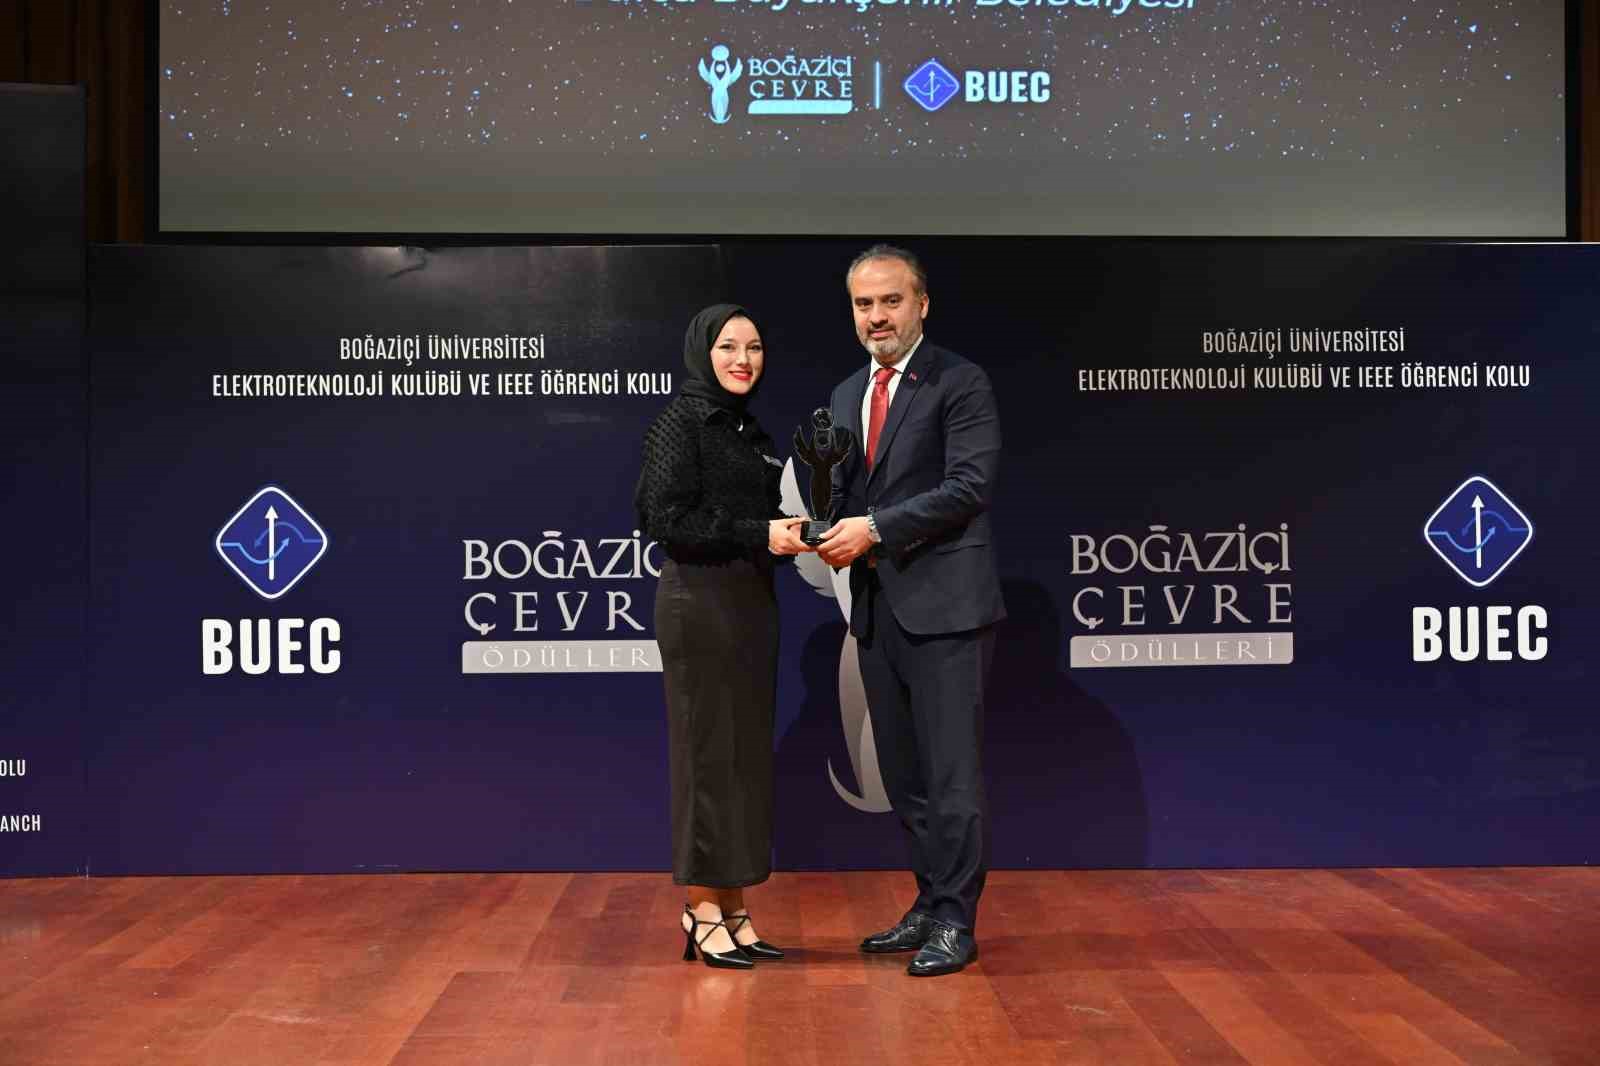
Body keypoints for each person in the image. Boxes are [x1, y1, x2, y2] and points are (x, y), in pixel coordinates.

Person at [817, 246, 1005, 977]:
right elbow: (844, 495)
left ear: (922, 304)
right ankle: (929, 903)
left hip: (947, 609)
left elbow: (968, 486)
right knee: (905, 776)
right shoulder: (845, 394)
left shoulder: (960, 381)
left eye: (890, 301)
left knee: (952, 776)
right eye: (863, 304)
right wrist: (823, 527)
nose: (877, 317)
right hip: (877, 609)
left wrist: (874, 529)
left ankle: (957, 920)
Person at [635, 303, 811, 970]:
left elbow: (755, 521)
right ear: (702, 352)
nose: (744, 359)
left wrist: (792, 533)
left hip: (750, 601)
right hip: (698, 603)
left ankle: (733, 907)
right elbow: (664, 519)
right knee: (707, 757)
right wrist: (758, 532)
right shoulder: (679, 422)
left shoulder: (748, 429)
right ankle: (701, 909)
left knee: (742, 761)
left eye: (755, 347)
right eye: (729, 347)